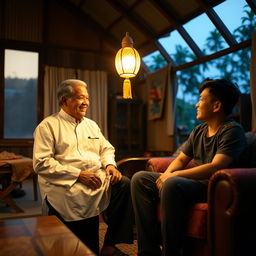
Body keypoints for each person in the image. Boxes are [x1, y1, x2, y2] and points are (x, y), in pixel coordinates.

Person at [131, 79, 248, 256]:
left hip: (213, 186)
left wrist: (173, 176)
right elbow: (180, 160)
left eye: (201, 99)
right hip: (194, 183)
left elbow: (215, 167)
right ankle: (148, 251)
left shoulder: (232, 131)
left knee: (172, 184)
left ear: (216, 106)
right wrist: (166, 174)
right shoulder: (199, 130)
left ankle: (171, 252)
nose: (197, 104)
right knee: (140, 178)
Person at [33, 79, 133, 256]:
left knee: (124, 184)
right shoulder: (47, 126)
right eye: (81, 97)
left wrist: (109, 164)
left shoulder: (91, 125)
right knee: (79, 249)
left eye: (87, 98)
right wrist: (78, 175)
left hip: (96, 181)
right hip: (67, 185)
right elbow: (41, 163)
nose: (86, 102)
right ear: (64, 100)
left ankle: (110, 245)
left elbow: (106, 148)